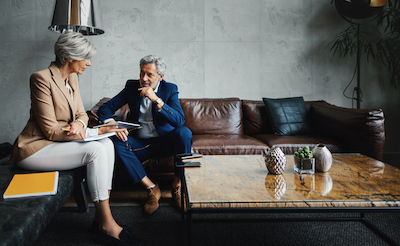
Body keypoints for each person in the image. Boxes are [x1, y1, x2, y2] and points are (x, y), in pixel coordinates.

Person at [11, 32, 139, 245]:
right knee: (96, 149)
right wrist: (94, 131)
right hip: (36, 148)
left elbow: (81, 113)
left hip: (60, 143)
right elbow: (51, 130)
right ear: (69, 57)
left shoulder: (72, 78)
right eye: (85, 58)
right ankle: (107, 224)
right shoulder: (41, 79)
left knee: (107, 144)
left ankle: (101, 218)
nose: (89, 63)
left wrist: (80, 124)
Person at [98, 55, 192, 215]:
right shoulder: (131, 87)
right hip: (141, 143)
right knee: (114, 140)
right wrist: (111, 124)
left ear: (160, 77)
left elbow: (179, 120)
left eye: (150, 75)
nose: (143, 78)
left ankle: (178, 184)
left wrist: (156, 100)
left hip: (165, 143)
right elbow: (105, 108)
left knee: (184, 133)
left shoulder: (169, 89)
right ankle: (152, 188)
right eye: (142, 73)